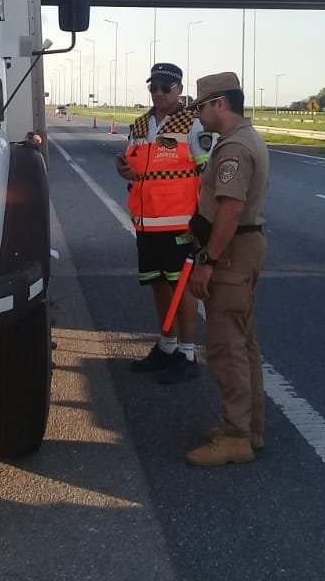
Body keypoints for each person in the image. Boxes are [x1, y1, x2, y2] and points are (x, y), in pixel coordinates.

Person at [184, 71, 270, 466]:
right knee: (245, 342)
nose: (198, 115)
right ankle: (249, 427)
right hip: (245, 248)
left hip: (233, 252)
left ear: (220, 103)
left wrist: (209, 262)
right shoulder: (242, 140)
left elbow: (229, 210)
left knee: (226, 346)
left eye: (201, 107)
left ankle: (236, 436)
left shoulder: (234, 149)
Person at [116, 62, 212, 384]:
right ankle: (166, 345)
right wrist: (125, 170)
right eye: (153, 87)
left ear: (179, 91)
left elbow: (207, 175)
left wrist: (200, 222)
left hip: (180, 225)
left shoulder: (193, 126)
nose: (158, 93)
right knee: (158, 285)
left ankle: (187, 352)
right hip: (146, 224)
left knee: (181, 289)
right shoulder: (140, 125)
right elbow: (131, 164)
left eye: (165, 88)